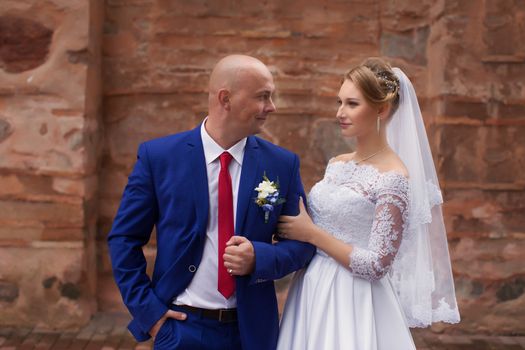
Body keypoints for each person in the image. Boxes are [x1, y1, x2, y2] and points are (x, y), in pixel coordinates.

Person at [107, 54, 316, 350]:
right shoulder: (159, 157)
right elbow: (124, 238)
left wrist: (259, 257)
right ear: (225, 99)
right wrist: (150, 314)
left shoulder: (282, 164)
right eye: (262, 96)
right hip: (180, 329)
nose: (272, 107)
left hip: (253, 332)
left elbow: (303, 245)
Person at [276, 57, 460, 349]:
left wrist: (311, 234)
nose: (340, 113)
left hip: (353, 298)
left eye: (352, 104)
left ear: (382, 109)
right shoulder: (336, 164)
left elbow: (377, 264)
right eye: (339, 102)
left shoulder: (394, 178)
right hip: (310, 288)